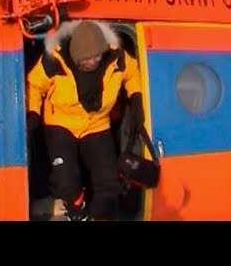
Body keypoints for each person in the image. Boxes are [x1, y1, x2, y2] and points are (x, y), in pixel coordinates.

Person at [26, 19, 145, 221]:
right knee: (65, 179)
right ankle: (77, 212)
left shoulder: (116, 57)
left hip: (97, 124)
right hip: (61, 122)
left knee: (108, 180)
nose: (93, 61)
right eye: (87, 59)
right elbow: (34, 85)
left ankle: (102, 216)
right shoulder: (54, 60)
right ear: (76, 55)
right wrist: (33, 113)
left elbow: (132, 74)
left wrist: (136, 97)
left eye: (97, 56)